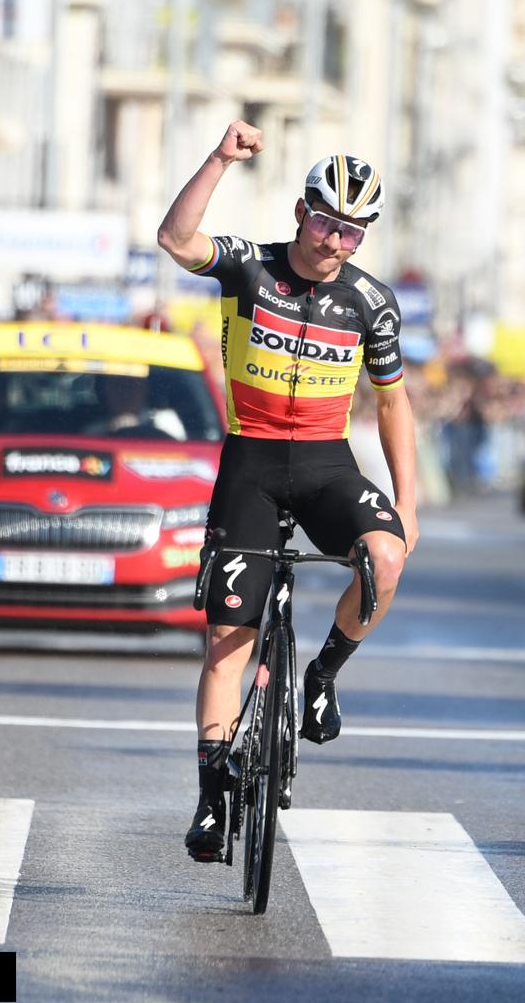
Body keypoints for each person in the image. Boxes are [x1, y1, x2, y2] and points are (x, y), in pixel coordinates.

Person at [156, 122, 416, 863]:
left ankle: (324, 674)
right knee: (227, 642)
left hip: (328, 465)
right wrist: (218, 159)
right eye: (328, 223)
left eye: (354, 233)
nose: (336, 242)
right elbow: (177, 241)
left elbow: (394, 404)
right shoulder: (251, 268)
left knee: (386, 560)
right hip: (253, 466)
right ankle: (211, 799)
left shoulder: (373, 303)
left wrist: (410, 503)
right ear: (302, 212)